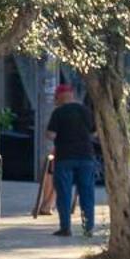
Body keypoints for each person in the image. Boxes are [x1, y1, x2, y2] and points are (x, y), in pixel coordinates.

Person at [46, 84, 98, 238]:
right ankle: (88, 228)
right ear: (72, 95)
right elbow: (95, 132)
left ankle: (65, 228)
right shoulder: (86, 111)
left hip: (64, 158)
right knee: (87, 193)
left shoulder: (58, 112)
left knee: (64, 193)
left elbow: (51, 134)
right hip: (86, 157)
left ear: (59, 97)